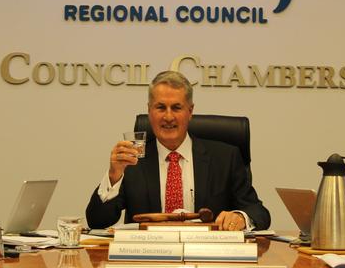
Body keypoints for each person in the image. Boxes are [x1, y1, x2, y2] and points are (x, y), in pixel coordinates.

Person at [86, 71, 271, 231]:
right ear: (149, 111)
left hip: (208, 258)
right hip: (147, 259)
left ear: (190, 112)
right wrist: (113, 176)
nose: (168, 116)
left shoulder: (225, 158)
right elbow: (97, 221)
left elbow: (259, 213)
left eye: (176, 108)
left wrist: (240, 217)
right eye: (160, 107)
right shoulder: (132, 160)